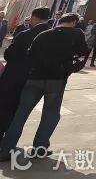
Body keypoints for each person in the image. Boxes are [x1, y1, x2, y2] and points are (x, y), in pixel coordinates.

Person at [0, 12, 89, 160]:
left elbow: (30, 55)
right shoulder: (76, 34)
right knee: (50, 114)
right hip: (57, 81)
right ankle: (39, 149)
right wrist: (70, 69)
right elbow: (83, 53)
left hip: (34, 79)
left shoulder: (43, 35)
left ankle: (6, 149)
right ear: (74, 22)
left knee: (21, 113)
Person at [0, 7, 51, 138]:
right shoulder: (54, 35)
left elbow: (9, 54)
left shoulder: (26, 34)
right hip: (38, 79)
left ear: (34, 17)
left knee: (6, 106)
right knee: (22, 112)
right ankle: (11, 139)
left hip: (15, 77)